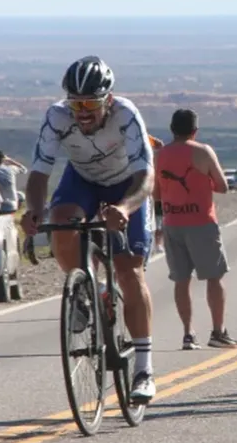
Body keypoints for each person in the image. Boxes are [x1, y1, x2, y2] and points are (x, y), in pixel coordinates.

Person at [20, 55, 157, 403]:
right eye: (75, 103)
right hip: (82, 180)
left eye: (90, 104)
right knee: (61, 222)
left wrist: (125, 208)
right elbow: (38, 173)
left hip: (126, 183)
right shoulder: (57, 117)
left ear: (107, 100)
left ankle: (144, 368)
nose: (81, 111)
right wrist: (34, 211)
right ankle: (86, 288)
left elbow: (147, 177)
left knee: (129, 270)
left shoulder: (126, 115)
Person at [156, 109, 237, 350]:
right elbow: (222, 186)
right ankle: (218, 331)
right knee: (214, 278)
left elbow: (156, 193)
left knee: (181, 281)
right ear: (195, 130)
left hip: (173, 223)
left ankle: (188, 334)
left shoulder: (159, 156)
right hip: (201, 223)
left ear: (172, 129)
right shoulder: (202, 152)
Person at [149, 134, 166, 254]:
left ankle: (158, 243)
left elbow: (159, 144)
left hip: (158, 193)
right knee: (157, 220)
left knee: (160, 220)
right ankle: (156, 242)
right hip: (151, 193)